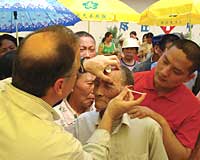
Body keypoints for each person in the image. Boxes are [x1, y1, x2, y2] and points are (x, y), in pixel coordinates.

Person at [0, 25, 146, 160]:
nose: (98, 91)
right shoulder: (56, 145)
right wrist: (109, 116)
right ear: (60, 86)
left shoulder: (4, 89)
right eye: (78, 70)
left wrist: (84, 65)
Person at [66, 65, 168, 160]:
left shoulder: (148, 127)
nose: (98, 92)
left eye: (108, 86)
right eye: (96, 84)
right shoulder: (82, 123)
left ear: (128, 90)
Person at [129, 39, 200, 160]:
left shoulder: (193, 108)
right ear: (161, 54)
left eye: (176, 71)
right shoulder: (131, 82)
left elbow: (180, 156)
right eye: (165, 61)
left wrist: (160, 121)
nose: (164, 72)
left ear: (189, 78)